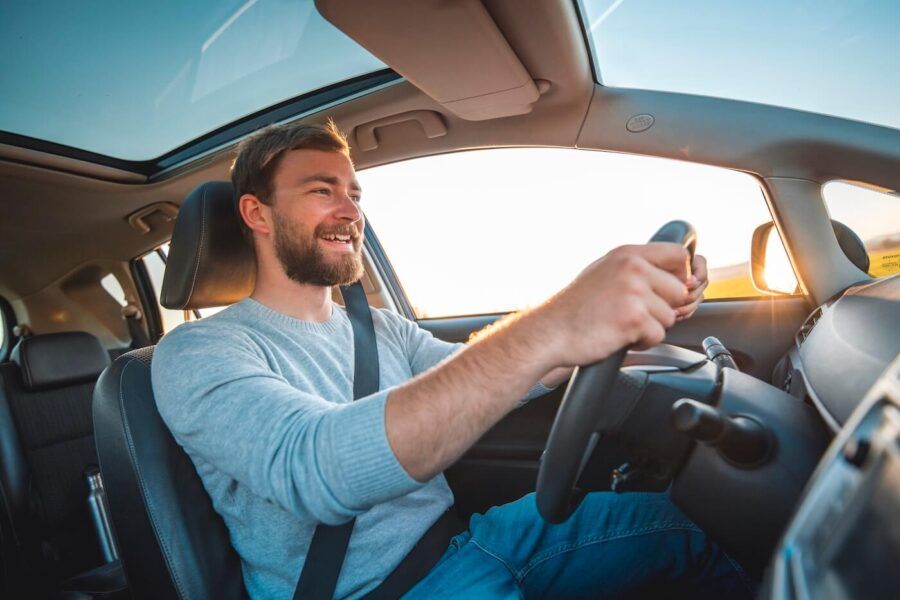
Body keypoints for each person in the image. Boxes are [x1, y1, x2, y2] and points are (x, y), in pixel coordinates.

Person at [152, 121, 751, 599]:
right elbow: (314, 470)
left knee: (713, 530)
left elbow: (495, 376)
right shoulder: (197, 352)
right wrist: (557, 322)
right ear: (257, 214)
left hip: (471, 540)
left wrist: (621, 318)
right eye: (321, 191)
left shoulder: (379, 327)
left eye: (354, 194)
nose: (351, 211)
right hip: (377, 591)